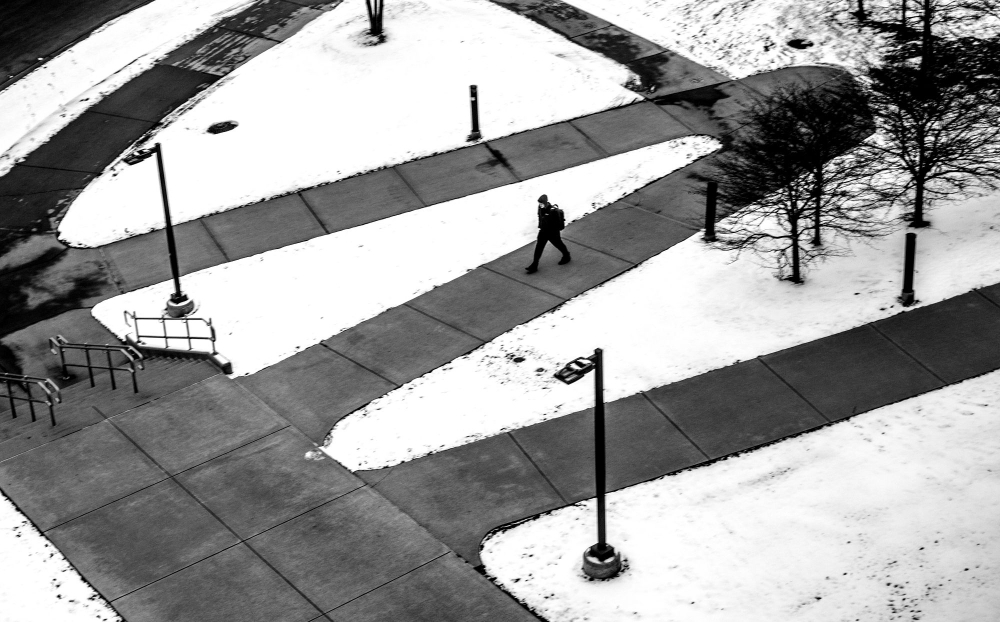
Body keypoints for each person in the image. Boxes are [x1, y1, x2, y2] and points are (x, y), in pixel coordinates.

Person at [525, 194, 570, 274]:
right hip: (543, 231)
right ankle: (534, 265)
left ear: (545, 202)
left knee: (558, 244)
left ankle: (566, 255)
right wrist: (541, 226)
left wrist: (551, 228)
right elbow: (540, 217)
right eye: (539, 203)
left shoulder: (553, 210)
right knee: (539, 247)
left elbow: (557, 223)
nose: (540, 205)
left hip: (552, 232)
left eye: (541, 203)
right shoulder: (540, 208)